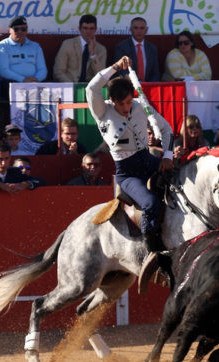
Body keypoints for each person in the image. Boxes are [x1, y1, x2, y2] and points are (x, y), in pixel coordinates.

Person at [86, 55, 174, 253]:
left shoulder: (140, 105)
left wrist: (168, 156)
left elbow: (167, 129)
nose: (126, 108)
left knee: (179, 180)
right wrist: (115, 67)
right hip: (127, 174)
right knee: (150, 203)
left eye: (128, 102)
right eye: (121, 104)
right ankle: (150, 249)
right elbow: (91, 88)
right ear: (112, 101)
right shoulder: (102, 111)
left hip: (148, 160)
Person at [53, 15, 107, 83]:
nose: (88, 31)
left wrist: (93, 54)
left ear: (95, 29)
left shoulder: (101, 49)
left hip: (89, 88)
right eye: (85, 28)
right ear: (79, 29)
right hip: (70, 85)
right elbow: (58, 71)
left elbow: (101, 76)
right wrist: (72, 86)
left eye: (91, 28)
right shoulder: (68, 44)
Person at [0, 16, 47, 92]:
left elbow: (42, 69)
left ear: (27, 30)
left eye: (23, 29)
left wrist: (36, 79)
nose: (20, 32)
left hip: (35, 83)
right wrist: (23, 80)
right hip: (12, 84)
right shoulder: (3, 46)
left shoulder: (35, 46)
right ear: (10, 30)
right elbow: (3, 71)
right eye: (16, 29)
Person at [114, 17, 160, 82]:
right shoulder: (122, 47)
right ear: (130, 29)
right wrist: (137, 83)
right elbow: (121, 70)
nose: (139, 31)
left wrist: (149, 86)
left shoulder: (152, 48)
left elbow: (155, 73)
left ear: (146, 30)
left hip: (148, 87)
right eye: (136, 28)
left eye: (142, 28)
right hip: (129, 86)